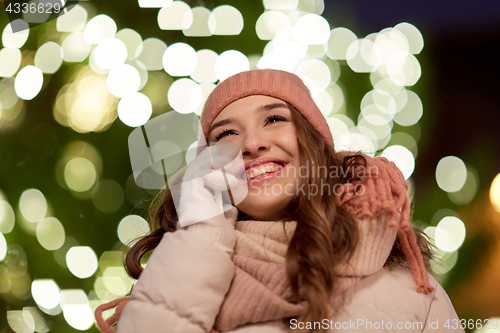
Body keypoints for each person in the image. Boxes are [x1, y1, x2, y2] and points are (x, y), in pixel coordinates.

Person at [95, 69, 464, 333]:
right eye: (226, 134)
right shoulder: (178, 268)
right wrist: (203, 230)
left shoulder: (412, 291)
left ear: (314, 144)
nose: (251, 144)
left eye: (273, 119)